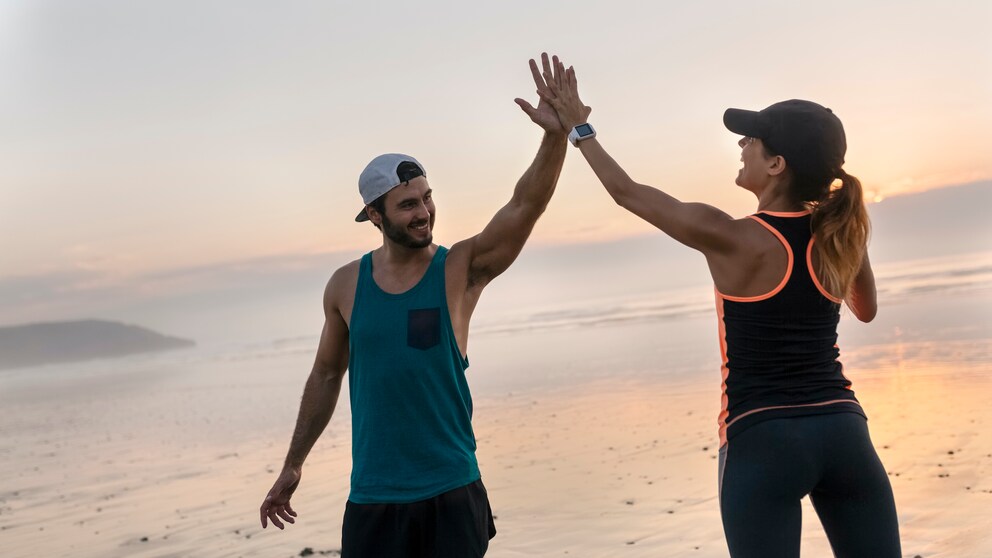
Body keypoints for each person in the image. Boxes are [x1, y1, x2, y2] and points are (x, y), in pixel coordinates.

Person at [535, 54, 901, 557]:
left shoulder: (730, 236)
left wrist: (579, 126)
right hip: (843, 433)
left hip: (761, 438)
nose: (742, 144)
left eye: (751, 139)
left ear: (777, 165)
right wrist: (846, 237)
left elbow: (626, 193)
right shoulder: (840, 236)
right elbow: (865, 309)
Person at [258, 53, 569, 557]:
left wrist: (555, 137)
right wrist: (295, 462)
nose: (424, 212)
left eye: (426, 197)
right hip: (373, 500)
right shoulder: (344, 287)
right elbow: (325, 376)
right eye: (408, 204)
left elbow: (524, 205)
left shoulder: (460, 269)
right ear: (374, 216)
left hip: (451, 492)